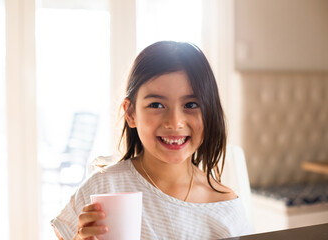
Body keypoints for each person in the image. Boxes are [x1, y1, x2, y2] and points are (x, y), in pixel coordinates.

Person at [51, 41, 253, 240]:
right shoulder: (103, 186)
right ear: (131, 113)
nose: (175, 123)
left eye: (191, 104)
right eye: (156, 105)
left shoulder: (225, 210)